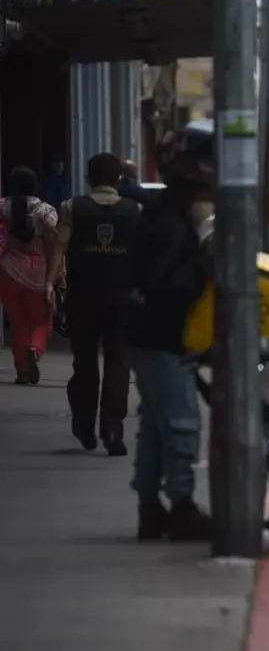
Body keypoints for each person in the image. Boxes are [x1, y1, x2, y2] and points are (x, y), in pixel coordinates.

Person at [125, 121, 215, 541]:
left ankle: (150, 508)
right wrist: (206, 264)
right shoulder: (169, 225)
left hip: (152, 337)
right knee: (180, 424)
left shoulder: (168, 217)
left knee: (156, 424)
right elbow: (164, 285)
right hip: (162, 338)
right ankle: (180, 507)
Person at [59, 152, 141, 455]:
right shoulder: (136, 211)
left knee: (84, 364)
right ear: (119, 179)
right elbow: (143, 257)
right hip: (123, 300)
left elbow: (59, 250)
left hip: (82, 299)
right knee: (119, 363)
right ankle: (111, 429)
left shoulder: (72, 208)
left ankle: (84, 424)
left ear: (88, 178)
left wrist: (51, 287)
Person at [0, 166, 63, 384]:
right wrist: (58, 278)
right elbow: (56, 245)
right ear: (36, 186)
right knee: (43, 322)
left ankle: (22, 372)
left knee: (17, 323)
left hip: (7, 271)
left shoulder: (2, 207)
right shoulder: (46, 211)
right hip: (38, 273)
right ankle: (34, 350)